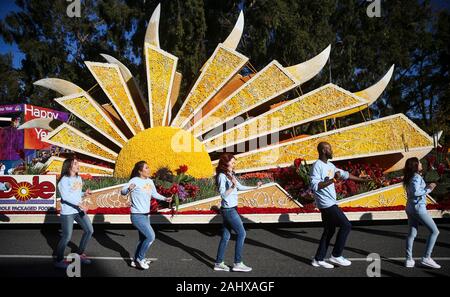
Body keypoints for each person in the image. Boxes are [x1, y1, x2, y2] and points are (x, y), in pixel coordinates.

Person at [310, 142, 371, 269]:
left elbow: (346, 175)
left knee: (329, 231)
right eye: (329, 148)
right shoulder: (317, 165)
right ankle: (336, 255)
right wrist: (333, 180)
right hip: (327, 203)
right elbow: (315, 186)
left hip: (330, 203)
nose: (332, 150)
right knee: (346, 225)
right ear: (323, 151)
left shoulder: (331, 166)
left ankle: (318, 259)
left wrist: (364, 180)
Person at [214, 153, 263, 273]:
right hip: (229, 210)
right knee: (242, 234)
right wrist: (232, 187)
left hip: (231, 209)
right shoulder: (222, 176)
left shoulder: (230, 174)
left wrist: (254, 187)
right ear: (226, 163)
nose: (234, 164)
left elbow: (239, 187)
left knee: (226, 236)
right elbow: (222, 195)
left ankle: (218, 263)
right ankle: (237, 263)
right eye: (233, 162)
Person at [121, 161, 173, 270]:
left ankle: (136, 260)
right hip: (137, 215)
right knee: (151, 236)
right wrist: (128, 189)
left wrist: (165, 198)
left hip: (145, 215)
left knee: (143, 238)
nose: (149, 170)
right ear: (140, 171)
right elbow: (123, 191)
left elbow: (154, 194)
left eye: (149, 167)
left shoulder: (150, 181)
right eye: (146, 168)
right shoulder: (134, 180)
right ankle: (140, 259)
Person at [54, 158, 94, 269]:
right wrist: (80, 204)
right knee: (67, 237)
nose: (78, 165)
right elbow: (66, 197)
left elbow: (75, 194)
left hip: (78, 210)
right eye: (75, 163)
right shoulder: (63, 181)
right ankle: (59, 260)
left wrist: (84, 194)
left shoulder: (79, 178)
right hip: (68, 213)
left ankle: (80, 254)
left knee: (89, 230)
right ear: (69, 166)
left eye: (78, 163)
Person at [403, 157, 440, 269]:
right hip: (418, 208)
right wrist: (429, 189)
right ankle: (426, 257)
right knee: (434, 231)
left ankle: (409, 259)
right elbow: (416, 192)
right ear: (415, 165)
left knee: (412, 234)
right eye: (419, 163)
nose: (421, 164)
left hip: (410, 207)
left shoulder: (409, 177)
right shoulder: (416, 177)